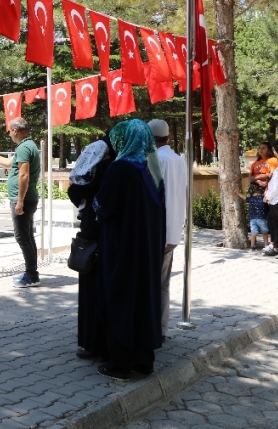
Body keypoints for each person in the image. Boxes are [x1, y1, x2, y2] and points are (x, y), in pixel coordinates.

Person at [94, 120, 165, 381]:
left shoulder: (120, 168)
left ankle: (120, 364)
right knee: (144, 299)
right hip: (148, 247)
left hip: (122, 247)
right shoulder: (153, 168)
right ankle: (144, 361)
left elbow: (102, 208)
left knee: (121, 298)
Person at [67, 136, 115, 361]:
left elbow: (74, 192)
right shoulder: (117, 166)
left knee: (90, 293)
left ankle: (91, 341)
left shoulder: (100, 172)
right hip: (107, 240)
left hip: (93, 238)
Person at [0, 117, 42, 288]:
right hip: (26, 198)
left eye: (9, 131)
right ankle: (31, 272)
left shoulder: (24, 148)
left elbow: (24, 175)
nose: (9, 134)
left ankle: (32, 275)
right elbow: (10, 164)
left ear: (15, 130)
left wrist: (20, 201)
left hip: (23, 198)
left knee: (22, 237)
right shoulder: (27, 146)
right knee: (27, 237)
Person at [148, 119, 188, 342]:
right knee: (163, 283)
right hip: (173, 231)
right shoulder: (178, 160)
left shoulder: (155, 159)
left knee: (150, 283)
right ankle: (162, 329)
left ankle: (150, 328)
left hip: (156, 231)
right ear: (168, 137)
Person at [263, 140, 278, 259]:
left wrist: (269, 196)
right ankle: (276, 247)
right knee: (275, 222)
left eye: (275, 150)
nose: (274, 152)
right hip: (274, 199)